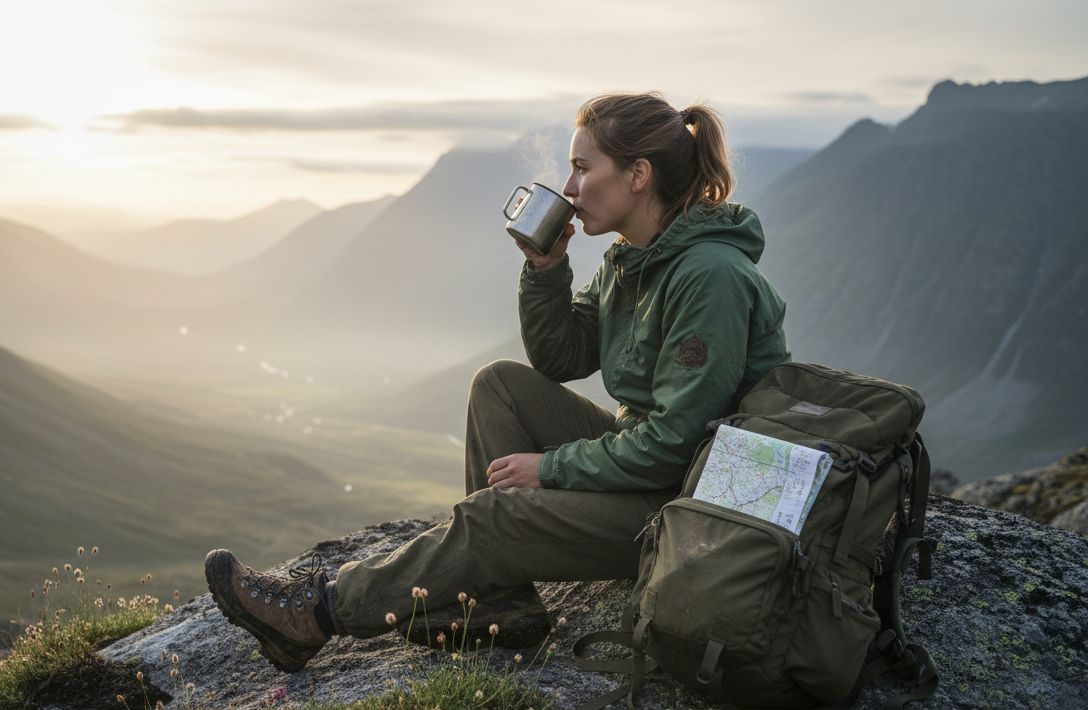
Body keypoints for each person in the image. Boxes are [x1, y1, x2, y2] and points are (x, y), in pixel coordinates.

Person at [204, 92, 790, 673]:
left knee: (495, 517)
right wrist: (546, 268)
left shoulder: (709, 277)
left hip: (690, 513)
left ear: (638, 175)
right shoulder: (631, 259)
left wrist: (550, 469)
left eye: (583, 169)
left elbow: (674, 446)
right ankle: (494, 601)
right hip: (652, 470)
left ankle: (318, 614)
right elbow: (562, 355)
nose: (569, 188)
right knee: (500, 386)